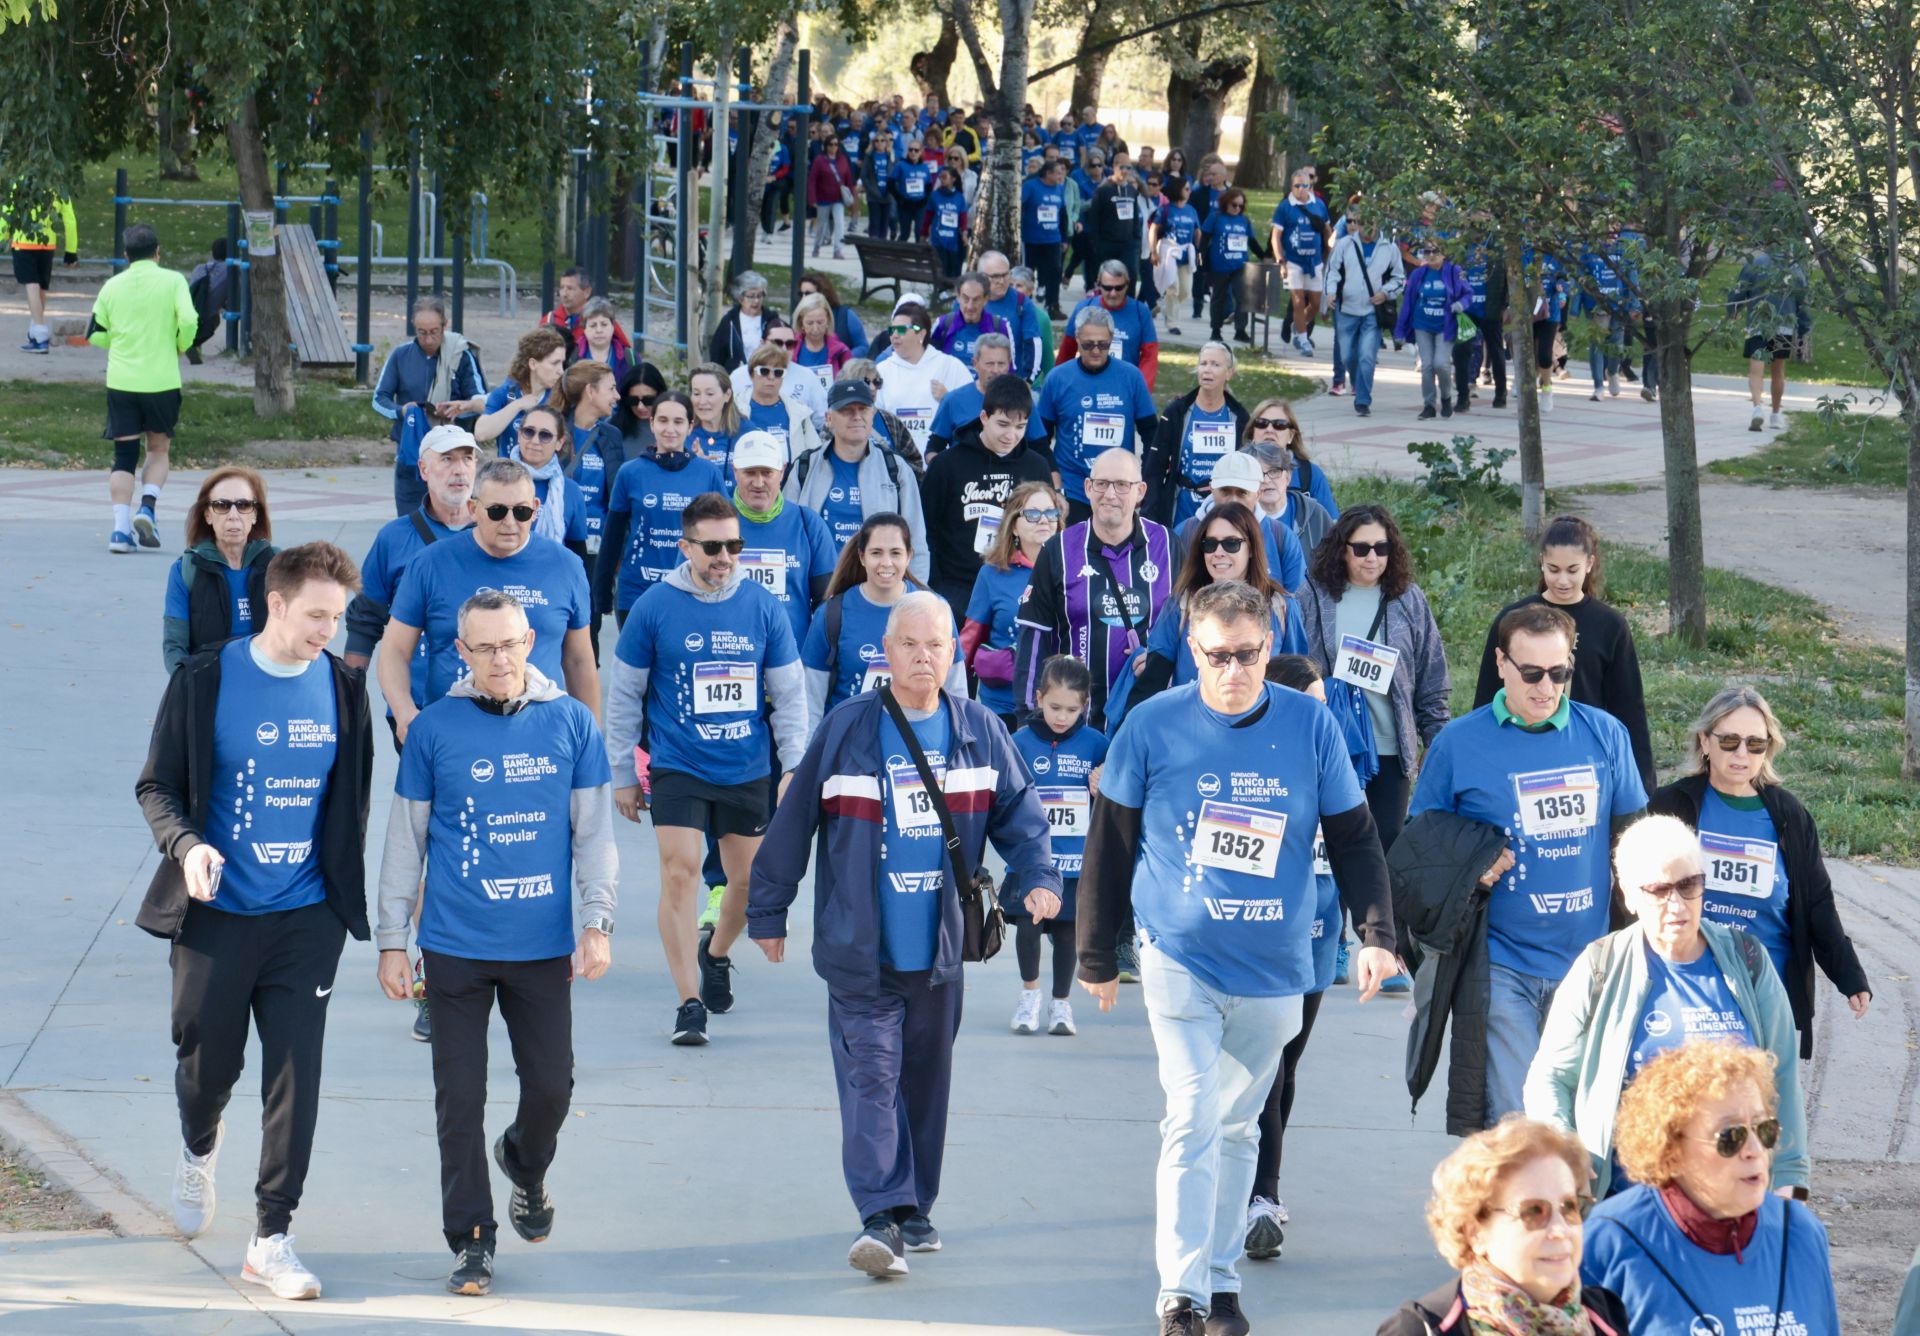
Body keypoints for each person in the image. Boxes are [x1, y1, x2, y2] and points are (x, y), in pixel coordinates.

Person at [1074, 579, 1398, 1334]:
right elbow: (1111, 843)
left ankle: (1221, 1285)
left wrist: (1377, 935)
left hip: (1276, 961)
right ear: (1193, 649)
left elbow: (1353, 836)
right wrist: (1094, 953)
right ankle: (1179, 1295)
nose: (1233, 671)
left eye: (1248, 655)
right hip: (1178, 953)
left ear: (1267, 647)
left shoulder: (1310, 726)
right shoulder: (1151, 726)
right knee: (1191, 1115)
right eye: (1217, 656)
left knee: (1238, 1127)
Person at [748, 590, 1061, 1277]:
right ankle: (879, 1214)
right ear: (886, 653)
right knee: (871, 1076)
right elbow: (793, 821)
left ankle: (915, 1203)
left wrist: (1038, 876)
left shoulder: (979, 728)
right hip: (861, 948)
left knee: (924, 1078)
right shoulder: (847, 728)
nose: (925, 658)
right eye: (911, 645)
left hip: (941, 951)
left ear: (955, 653)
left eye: (938, 646)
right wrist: (768, 909)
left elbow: (1022, 818)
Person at [134, 542, 373, 1301]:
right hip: (217, 915)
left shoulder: (341, 685)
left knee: (295, 1073)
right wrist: (189, 845)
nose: (326, 632)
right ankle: (199, 1145)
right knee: (207, 1066)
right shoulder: (205, 678)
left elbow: (352, 798)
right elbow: (157, 785)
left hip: (306, 917)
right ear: (275, 603)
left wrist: (343, 899)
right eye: (314, 616)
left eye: (336, 618)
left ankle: (272, 1235)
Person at [373, 590, 617, 1296]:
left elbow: (594, 835)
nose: (500, 660)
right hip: (454, 947)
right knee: (459, 1097)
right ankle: (472, 1238)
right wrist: (393, 939)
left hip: (541, 947)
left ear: (530, 639)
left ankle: (524, 1162)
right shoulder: (434, 730)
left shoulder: (571, 724)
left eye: (510, 644)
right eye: (484, 648)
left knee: (550, 1088)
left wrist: (596, 923)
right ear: (461, 653)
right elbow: (404, 841)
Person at [1411, 601, 1649, 1125]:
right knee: (1519, 1121)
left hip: (1589, 966)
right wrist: (1470, 861)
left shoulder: (1606, 735)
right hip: (1500, 963)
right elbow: (1419, 846)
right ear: (1500, 664)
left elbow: (1635, 840)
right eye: (1532, 673)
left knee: (1579, 1121)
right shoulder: (1458, 743)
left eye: (1559, 673)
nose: (1546, 687)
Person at [605, 492, 808, 1044]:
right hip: (678, 762)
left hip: (745, 766)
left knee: (747, 883)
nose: (725, 557)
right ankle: (688, 1001)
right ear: (686, 546)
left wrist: (793, 764)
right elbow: (624, 694)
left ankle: (715, 953)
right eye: (713, 547)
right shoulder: (654, 606)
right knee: (680, 872)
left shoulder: (765, 607)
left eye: (734, 545)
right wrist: (624, 771)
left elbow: (789, 695)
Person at [1525, 813, 1810, 1201]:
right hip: (1627, 1205)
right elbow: (1550, 1077)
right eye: (1659, 890)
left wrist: (1788, 1177)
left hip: (1737, 1203)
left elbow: (1784, 1074)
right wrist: (1563, 1148)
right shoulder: (1599, 968)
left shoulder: (1747, 959)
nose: (1677, 905)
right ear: (1628, 894)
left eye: (1689, 885)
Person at [1649, 685, 1871, 1054]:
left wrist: (1849, 973)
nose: (1742, 754)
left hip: (1766, 990)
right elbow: (1643, 891)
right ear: (1705, 741)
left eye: (1755, 744)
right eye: (1730, 741)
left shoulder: (1788, 815)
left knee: (1760, 1107)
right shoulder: (1672, 804)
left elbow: (1815, 901)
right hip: (1687, 988)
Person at [1581, 1043, 1840, 1334]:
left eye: (1763, 1129)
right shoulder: (1608, 1241)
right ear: (1672, 1149)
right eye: (1731, 1136)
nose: (1755, 1150)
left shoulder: (1801, 1232)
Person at [1238, 655, 1344, 1260]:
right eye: (1311, 702)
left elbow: (1357, 847)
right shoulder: (1249, 767)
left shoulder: (1330, 764)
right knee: (1270, 1067)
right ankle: (1261, 1195)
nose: (1320, 714)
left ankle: (1258, 1180)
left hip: (1318, 939)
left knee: (1287, 1068)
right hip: (1258, 944)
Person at [381, 458, 599, 742]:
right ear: (474, 509)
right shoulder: (431, 564)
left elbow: (579, 660)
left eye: (521, 512)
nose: (509, 522)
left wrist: (592, 736)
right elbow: (394, 650)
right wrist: (405, 712)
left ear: (535, 509)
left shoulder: (566, 566)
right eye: (496, 511)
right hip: (453, 735)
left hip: (540, 738)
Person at [1377, 1117, 1631, 1336]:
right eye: (1533, 1211)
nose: (1560, 1229)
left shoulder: (1604, 1314)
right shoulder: (1420, 1329)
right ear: (1474, 1231)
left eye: (1569, 1207)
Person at [1300, 504, 1451, 859]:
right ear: (1342, 549)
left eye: (1381, 548)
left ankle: (1378, 916)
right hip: (1334, 742)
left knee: (1385, 846)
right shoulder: (1314, 595)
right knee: (1332, 844)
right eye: (1361, 548)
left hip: (1390, 745)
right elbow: (1296, 665)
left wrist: (1437, 739)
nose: (1372, 558)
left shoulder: (1407, 598)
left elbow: (1432, 673)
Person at [1473, 516, 1657, 792]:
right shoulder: (1513, 619)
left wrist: (1644, 784)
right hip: (1520, 746)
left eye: (1572, 570)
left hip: (1583, 753)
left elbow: (1628, 708)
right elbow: (1487, 695)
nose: (1562, 580)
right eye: (1553, 569)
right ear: (1541, 562)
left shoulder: (1610, 625)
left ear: (1590, 564)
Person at [345, 426, 476, 789]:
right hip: (415, 707)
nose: (460, 470)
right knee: (431, 804)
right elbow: (365, 621)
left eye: (468, 458)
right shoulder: (395, 537)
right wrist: (349, 696)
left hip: (489, 704)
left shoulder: (496, 531)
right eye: (447, 459)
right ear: (422, 469)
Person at [1013, 447, 1174, 732]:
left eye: (1122, 485)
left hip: (1150, 722)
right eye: (1101, 484)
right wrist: (1029, 720)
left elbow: (1190, 631)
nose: (1110, 494)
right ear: (1088, 488)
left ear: (1141, 491)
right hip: (1074, 726)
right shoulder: (1057, 550)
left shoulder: (1169, 546)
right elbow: (1033, 640)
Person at [1006, 655, 1106, 1037]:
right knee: (1029, 927)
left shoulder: (1097, 744)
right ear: (1038, 698)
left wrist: (1103, 787)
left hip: (1075, 861)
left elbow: (1113, 795)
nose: (1061, 717)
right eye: (1053, 707)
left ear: (1085, 706)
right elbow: (1006, 795)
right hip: (1031, 861)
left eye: (1071, 709)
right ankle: (1030, 993)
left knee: (1067, 933)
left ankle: (1061, 1003)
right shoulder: (1018, 742)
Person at [1131, 500, 1307, 710]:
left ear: (1251, 548)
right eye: (1210, 544)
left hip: (1261, 728)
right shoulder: (1181, 604)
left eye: (1231, 543)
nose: (1219, 552)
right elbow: (1153, 680)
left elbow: (1297, 682)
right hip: (1194, 726)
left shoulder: (1281, 607)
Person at [89, 222, 197, 554]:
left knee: (123, 457)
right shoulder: (174, 281)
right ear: (158, 252)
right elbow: (190, 320)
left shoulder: (112, 286)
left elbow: (95, 333)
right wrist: (180, 344)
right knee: (158, 450)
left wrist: (118, 342)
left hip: (121, 381)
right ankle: (148, 507)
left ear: (126, 256)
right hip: (162, 380)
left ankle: (120, 531)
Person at [802, 512, 964, 727]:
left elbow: (956, 690)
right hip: (851, 745)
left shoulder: (935, 608)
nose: (886, 563)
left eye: (895, 553)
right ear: (862, 557)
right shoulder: (832, 613)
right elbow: (810, 702)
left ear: (909, 556)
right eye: (876, 553)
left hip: (920, 742)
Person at [921, 376, 1055, 619]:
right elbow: (926, 529)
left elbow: (1047, 531)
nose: (1011, 436)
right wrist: (936, 585)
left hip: (1015, 585)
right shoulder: (946, 465)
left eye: (1020, 427)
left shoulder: (1036, 467)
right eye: (1003, 424)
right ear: (984, 418)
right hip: (957, 588)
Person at [598, 391, 729, 620]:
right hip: (637, 591)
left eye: (678, 422)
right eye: (663, 420)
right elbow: (613, 536)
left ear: (690, 426)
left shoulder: (708, 473)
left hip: (692, 590)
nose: (670, 429)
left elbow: (727, 535)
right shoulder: (630, 472)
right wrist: (602, 591)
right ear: (651, 423)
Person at [1033, 306, 1159, 522]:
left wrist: (1142, 479)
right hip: (1073, 490)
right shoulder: (1057, 379)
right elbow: (1039, 439)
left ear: (1112, 338)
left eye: (1103, 344)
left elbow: (1151, 434)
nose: (1095, 350)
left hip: (1118, 491)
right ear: (1077, 338)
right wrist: (1054, 481)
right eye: (1088, 344)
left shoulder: (1131, 377)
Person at [785, 378, 929, 569]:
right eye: (846, 410)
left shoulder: (895, 468)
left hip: (879, 585)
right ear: (829, 418)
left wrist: (914, 594)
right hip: (819, 587)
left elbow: (916, 543)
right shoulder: (805, 466)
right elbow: (787, 534)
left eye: (863, 409)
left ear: (873, 413)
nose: (857, 416)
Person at [373, 295, 487, 515]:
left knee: (452, 517)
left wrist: (461, 408)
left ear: (445, 325)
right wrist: (402, 411)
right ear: (414, 327)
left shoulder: (461, 355)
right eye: (421, 332)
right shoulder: (400, 355)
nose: (428, 339)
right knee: (410, 519)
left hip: (452, 450)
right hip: (411, 450)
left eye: (434, 331)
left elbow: (480, 400)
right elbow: (379, 398)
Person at [962, 481, 1064, 725]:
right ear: (1014, 526)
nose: (1043, 520)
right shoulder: (991, 574)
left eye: (1050, 513)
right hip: (1001, 705)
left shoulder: (1074, 570)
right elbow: (968, 642)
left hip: (1060, 705)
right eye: (1032, 514)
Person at [163, 467, 276, 674]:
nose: (233, 515)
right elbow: (174, 646)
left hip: (268, 683)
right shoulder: (186, 569)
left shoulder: (279, 565)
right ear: (207, 515)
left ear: (255, 515)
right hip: (210, 686)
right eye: (222, 506)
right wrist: (188, 685)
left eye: (243, 505)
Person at [1147, 341, 1248, 527]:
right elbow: (1155, 467)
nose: (1207, 370)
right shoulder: (1177, 412)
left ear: (1229, 373)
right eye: (1203, 363)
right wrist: (1149, 516)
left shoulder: (1239, 417)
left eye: (1215, 365)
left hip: (1223, 512)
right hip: (1181, 510)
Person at [1325, 211, 1406, 418]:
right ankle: (1358, 383)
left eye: (1369, 223)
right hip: (1346, 309)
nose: (1363, 227)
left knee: (1367, 356)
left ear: (1377, 223)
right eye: (1359, 223)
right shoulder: (1344, 244)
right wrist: (1331, 292)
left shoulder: (1389, 247)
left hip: (1372, 311)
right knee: (1348, 356)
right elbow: (1332, 271)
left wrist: (1385, 293)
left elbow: (1399, 278)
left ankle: (1362, 399)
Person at [872, 300, 970, 458]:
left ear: (921, 333)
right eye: (892, 329)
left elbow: (971, 414)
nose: (895, 335)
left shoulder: (951, 367)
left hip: (938, 464)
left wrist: (948, 400)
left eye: (902, 329)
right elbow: (871, 417)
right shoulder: (882, 370)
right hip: (895, 465)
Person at [1726, 245, 1808, 432]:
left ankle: (1757, 408)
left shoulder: (1754, 263)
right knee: (1778, 370)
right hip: (1784, 325)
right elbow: (1802, 301)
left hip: (1758, 324)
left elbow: (1739, 290)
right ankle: (1776, 415)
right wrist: (1803, 328)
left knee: (1757, 369)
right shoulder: (1795, 268)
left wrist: (1733, 310)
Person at [1395, 240, 1475, 420]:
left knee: (1441, 364)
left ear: (1444, 254)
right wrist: (1400, 331)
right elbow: (1408, 303)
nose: (1431, 255)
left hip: (1445, 326)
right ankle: (1429, 405)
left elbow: (1468, 293)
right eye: (1427, 251)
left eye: (1435, 251)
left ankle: (1446, 398)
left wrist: (1460, 305)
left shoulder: (1455, 271)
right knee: (1427, 366)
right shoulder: (1418, 274)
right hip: (1422, 324)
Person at [1057, 259, 1160, 388]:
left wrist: (1142, 389)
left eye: (1119, 288)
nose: (1113, 293)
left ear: (1127, 284)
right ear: (1099, 284)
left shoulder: (1140, 312)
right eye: (1107, 288)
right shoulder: (1083, 308)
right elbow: (1067, 350)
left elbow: (1150, 356)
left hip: (1125, 387)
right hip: (1086, 385)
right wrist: (1059, 383)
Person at [474, 326, 568, 458]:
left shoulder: (559, 397)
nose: (561, 371)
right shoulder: (505, 394)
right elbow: (481, 433)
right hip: (508, 474)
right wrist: (517, 405)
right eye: (554, 363)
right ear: (533, 364)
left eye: (562, 363)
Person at [3, 189, 78, 353]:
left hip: (24, 240)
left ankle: (40, 331)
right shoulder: (58, 189)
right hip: (47, 243)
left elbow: (7, 213)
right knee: (41, 286)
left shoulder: (21, 184)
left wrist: (2, 237)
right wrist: (71, 250)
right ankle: (35, 330)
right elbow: (70, 220)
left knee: (31, 284)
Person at [924, 333, 1017, 459]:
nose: (995, 370)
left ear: (1009, 364)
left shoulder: (1020, 400)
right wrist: (943, 471)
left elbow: (1040, 447)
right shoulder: (953, 400)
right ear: (975, 363)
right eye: (989, 364)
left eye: (1001, 364)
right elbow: (933, 448)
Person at [1269, 171, 1332, 357]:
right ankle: (1303, 340)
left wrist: (1330, 253)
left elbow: (1327, 230)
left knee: (1315, 303)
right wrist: (1281, 262)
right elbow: (1276, 237)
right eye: (1297, 186)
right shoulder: (1285, 207)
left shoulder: (1319, 205)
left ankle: (1298, 326)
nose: (1301, 189)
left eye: (1305, 185)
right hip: (1293, 262)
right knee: (1297, 300)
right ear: (1291, 187)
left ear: (1310, 186)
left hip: (1315, 262)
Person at [732, 337, 825, 461]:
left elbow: (816, 457)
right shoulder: (733, 411)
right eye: (764, 371)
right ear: (751, 374)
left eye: (778, 373)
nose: (771, 377)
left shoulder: (799, 413)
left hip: (790, 479)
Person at [1242, 397, 1337, 517]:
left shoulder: (1310, 474)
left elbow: (1330, 524)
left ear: (1291, 436)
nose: (1269, 430)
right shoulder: (1238, 469)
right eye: (1261, 423)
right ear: (1252, 433)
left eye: (1279, 425)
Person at [1246, 441, 1335, 566]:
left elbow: (1335, 561)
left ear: (1288, 477)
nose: (1266, 480)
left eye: (1274, 471)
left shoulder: (1316, 514)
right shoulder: (1241, 518)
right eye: (1258, 474)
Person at [1455, 239, 1510, 411]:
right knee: (1461, 352)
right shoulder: (1462, 248)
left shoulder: (1498, 249)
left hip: (1490, 309)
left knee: (1495, 350)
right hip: (1467, 310)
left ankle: (1501, 392)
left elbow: (1508, 278)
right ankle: (1463, 396)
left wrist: (1506, 305)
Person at [1199, 188, 1259, 345]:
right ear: (1226, 203)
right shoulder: (1215, 217)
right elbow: (1204, 242)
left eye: (1240, 206)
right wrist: (1201, 264)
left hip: (1239, 266)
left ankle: (1240, 330)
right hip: (1218, 266)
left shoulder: (1244, 221)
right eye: (1234, 205)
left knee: (1243, 297)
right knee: (1218, 298)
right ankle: (1216, 330)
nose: (1237, 209)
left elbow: (1252, 242)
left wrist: (1265, 254)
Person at [1085, 155, 1144, 293]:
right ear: (1114, 167)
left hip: (1128, 244)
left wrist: (1137, 239)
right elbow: (1094, 219)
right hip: (1107, 243)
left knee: (1131, 275)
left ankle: (1128, 307)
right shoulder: (1103, 190)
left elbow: (1135, 217)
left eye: (1128, 167)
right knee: (1108, 278)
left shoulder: (1131, 190)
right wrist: (1096, 243)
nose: (1124, 171)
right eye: (1121, 167)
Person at [929, 272, 1012, 366]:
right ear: (958, 297)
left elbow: (1010, 368)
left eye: (976, 300)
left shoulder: (1000, 327)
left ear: (986, 299)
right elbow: (928, 361)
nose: (970, 306)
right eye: (966, 299)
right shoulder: (943, 324)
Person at [1021, 161, 1070, 318]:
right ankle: (1025, 306)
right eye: (1057, 172)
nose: (1060, 175)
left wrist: (1064, 238)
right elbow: (1019, 207)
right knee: (1028, 274)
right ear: (1048, 174)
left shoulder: (1059, 189)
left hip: (1052, 239)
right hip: (1032, 239)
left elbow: (1062, 214)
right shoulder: (1030, 186)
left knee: (1054, 273)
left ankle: (1053, 305)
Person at [706, 270, 780, 372]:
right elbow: (717, 354)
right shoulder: (729, 321)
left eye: (759, 295)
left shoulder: (771, 319)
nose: (756, 301)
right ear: (740, 298)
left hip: (765, 374)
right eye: (751, 296)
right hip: (736, 375)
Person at [688, 361, 742, 478]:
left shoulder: (747, 433)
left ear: (727, 395)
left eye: (710, 394)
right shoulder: (683, 434)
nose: (702, 401)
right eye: (696, 394)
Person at [799, 271, 870, 360]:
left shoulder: (845, 315)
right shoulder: (800, 316)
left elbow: (863, 346)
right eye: (800, 294)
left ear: (823, 293)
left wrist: (844, 358)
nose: (803, 298)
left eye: (808, 294)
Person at [810, 131, 859, 259]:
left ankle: (838, 249)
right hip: (823, 198)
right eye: (830, 144)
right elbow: (812, 180)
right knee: (822, 225)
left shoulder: (842, 159)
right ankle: (817, 246)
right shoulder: (819, 160)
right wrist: (812, 198)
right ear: (826, 146)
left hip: (838, 198)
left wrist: (851, 197)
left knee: (840, 223)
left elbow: (848, 178)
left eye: (836, 144)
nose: (833, 147)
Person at [792, 293, 854, 393]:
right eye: (810, 323)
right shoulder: (790, 348)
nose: (815, 328)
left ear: (828, 321)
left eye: (820, 322)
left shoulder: (841, 351)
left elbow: (852, 385)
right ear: (801, 323)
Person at [184, 238, 233, 365]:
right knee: (215, 319)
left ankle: (193, 344)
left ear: (212, 253)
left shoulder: (200, 268)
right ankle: (194, 343)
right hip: (207, 317)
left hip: (190, 311)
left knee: (202, 314)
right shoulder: (230, 270)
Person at [921, 166, 969, 283]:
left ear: (953, 179)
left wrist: (964, 233)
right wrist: (923, 234)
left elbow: (963, 218)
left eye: (944, 177)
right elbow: (927, 217)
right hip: (938, 239)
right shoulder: (935, 196)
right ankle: (940, 294)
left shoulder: (959, 197)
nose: (941, 179)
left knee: (954, 271)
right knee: (940, 269)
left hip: (953, 241)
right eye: (940, 177)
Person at [571, 296, 635, 381]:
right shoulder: (572, 357)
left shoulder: (630, 358)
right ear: (584, 329)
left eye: (604, 324)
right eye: (593, 325)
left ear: (613, 327)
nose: (599, 330)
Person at [541, 266, 601, 339]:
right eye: (562, 288)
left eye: (570, 288)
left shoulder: (602, 322)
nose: (564, 294)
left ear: (587, 292)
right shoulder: (549, 321)